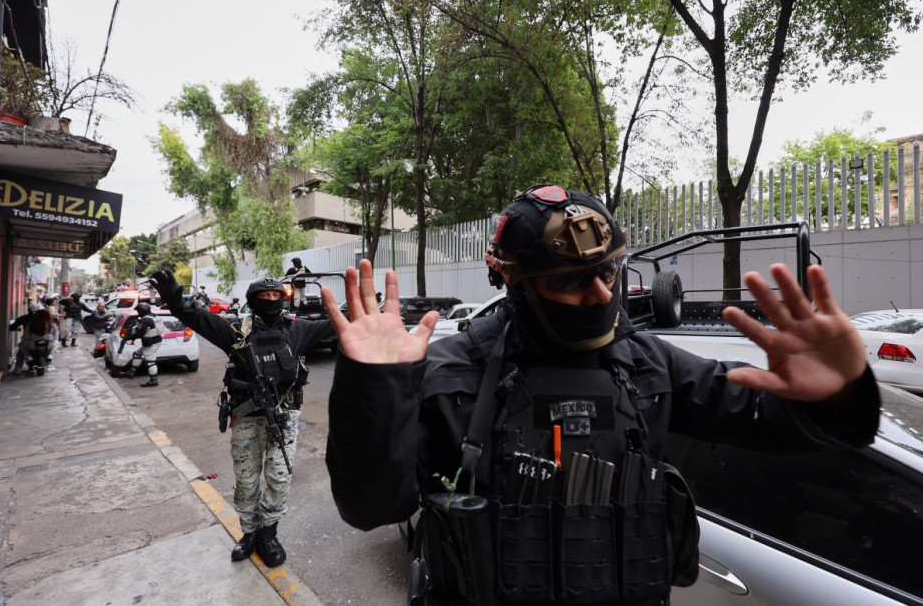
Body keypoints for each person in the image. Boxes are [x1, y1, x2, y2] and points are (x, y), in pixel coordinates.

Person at [321, 184, 880, 606]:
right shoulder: (454, 373)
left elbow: (776, 422)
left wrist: (839, 392)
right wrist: (374, 386)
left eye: (608, 271)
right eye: (569, 280)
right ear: (513, 281)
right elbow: (372, 508)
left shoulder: (648, 363)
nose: (599, 294)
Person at [148, 269, 335, 567]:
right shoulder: (235, 330)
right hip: (246, 415)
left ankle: (269, 534)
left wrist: (365, 314)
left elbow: (337, 323)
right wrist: (177, 303)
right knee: (246, 480)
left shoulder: (297, 329)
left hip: (283, 416)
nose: (271, 300)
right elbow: (197, 318)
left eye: (276, 295)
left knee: (279, 477)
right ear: (252, 300)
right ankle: (249, 533)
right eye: (264, 296)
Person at [119, 303, 165, 387]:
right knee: (137, 354)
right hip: (156, 340)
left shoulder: (145, 320)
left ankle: (154, 380)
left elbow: (139, 333)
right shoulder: (155, 316)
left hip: (150, 343)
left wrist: (128, 338)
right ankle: (131, 372)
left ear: (142, 311)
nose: (138, 313)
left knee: (150, 361)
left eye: (138, 311)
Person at [8, 308, 58, 374]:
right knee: (55, 344)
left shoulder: (30, 324)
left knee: (20, 349)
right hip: (48, 345)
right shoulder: (52, 325)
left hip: (33, 345)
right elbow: (55, 336)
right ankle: (50, 357)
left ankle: (18, 368)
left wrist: (26, 341)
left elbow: (26, 337)